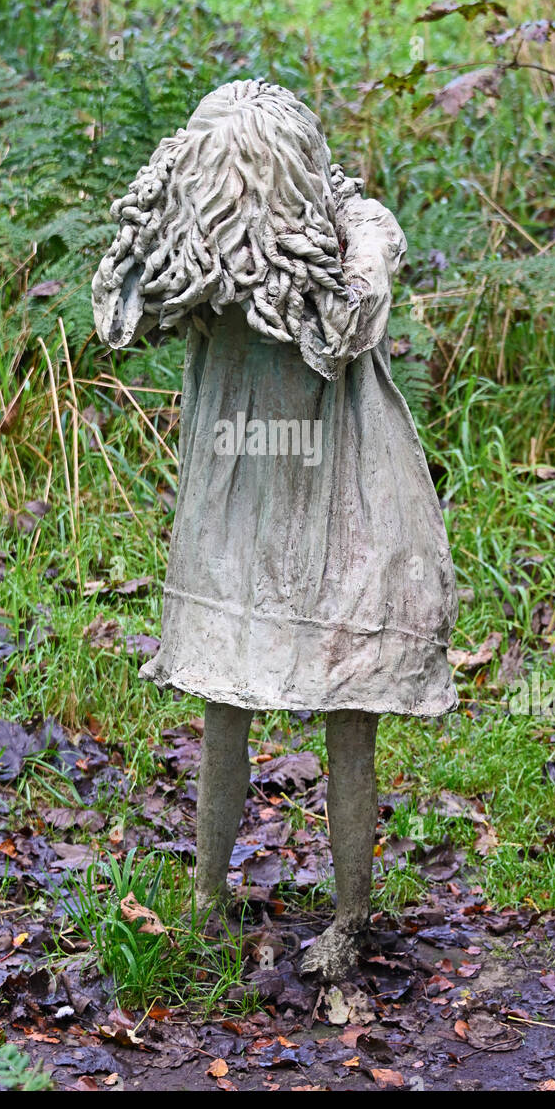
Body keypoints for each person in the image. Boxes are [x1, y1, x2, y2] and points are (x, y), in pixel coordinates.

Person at [92, 79, 457, 978]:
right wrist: (358, 225)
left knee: (317, 707)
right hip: (275, 506)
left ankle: (316, 914)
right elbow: (125, 313)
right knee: (267, 700)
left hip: (311, 502)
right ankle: (249, 903)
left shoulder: (261, 258)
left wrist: (174, 213)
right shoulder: (237, 258)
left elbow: (336, 331)